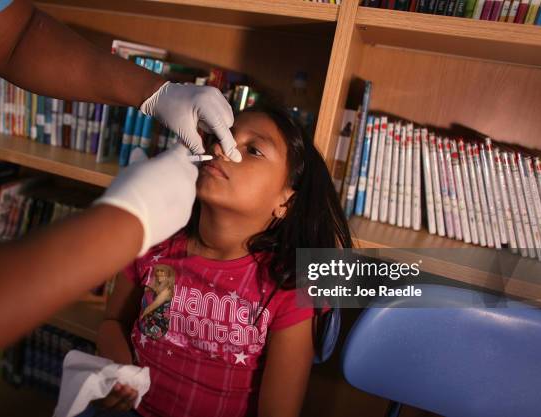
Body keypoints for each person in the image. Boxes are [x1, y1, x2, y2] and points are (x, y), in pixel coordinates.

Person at [0, 0, 242, 387]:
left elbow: (16, 36)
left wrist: (157, 93)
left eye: (252, 150)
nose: (219, 149)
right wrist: (123, 225)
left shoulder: (291, 279)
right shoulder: (156, 253)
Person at [93, 105, 352, 417]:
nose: (221, 148)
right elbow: (112, 324)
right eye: (221, 137)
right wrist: (118, 376)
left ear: (286, 201)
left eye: (253, 150)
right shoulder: (152, 241)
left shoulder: (290, 289)